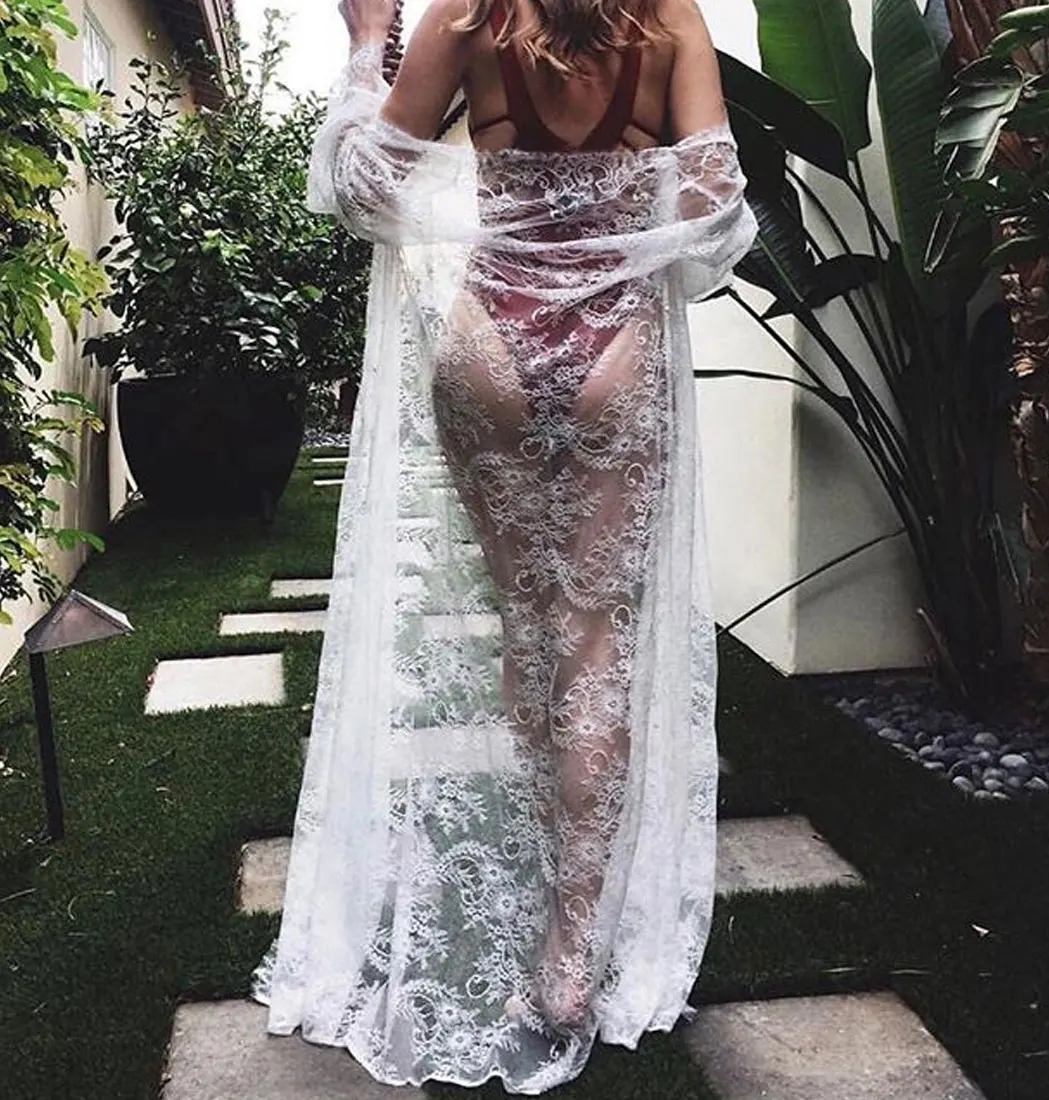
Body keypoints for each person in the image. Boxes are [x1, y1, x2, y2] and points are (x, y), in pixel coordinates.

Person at [252, 0, 757, 1093]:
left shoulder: (466, 15)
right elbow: (714, 206)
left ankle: (549, 858)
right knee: (592, 639)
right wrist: (621, 226)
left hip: (488, 340)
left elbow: (366, 189)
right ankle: (570, 948)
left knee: (527, 621)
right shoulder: (668, 16)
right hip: (619, 346)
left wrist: (363, 50)